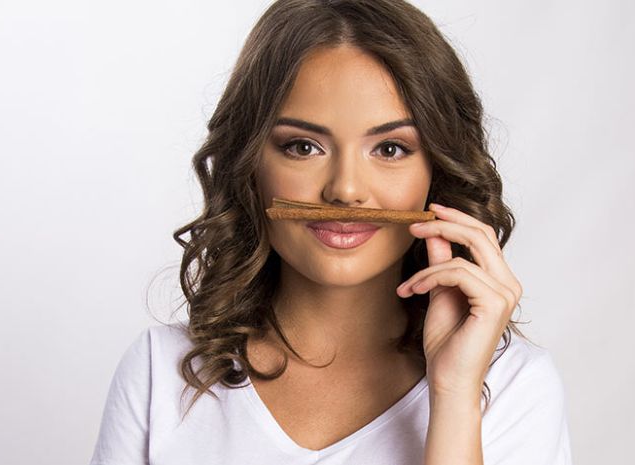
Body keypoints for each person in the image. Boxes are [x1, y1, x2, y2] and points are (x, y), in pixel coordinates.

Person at [89, 1, 573, 464]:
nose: (345, 190)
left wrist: (453, 396)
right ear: (250, 164)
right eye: (303, 147)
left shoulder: (515, 387)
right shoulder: (160, 373)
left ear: (437, 170)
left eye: (390, 149)